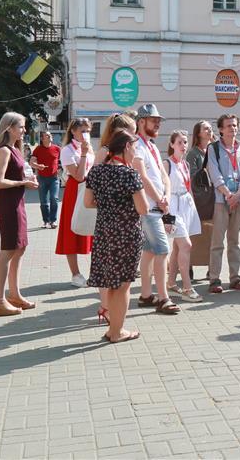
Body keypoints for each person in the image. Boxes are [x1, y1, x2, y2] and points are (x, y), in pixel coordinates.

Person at [83, 130, 147, 342]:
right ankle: (117, 332)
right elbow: (143, 208)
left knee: (111, 283)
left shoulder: (96, 171)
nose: (135, 153)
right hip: (126, 233)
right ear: (127, 146)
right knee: (123, 285)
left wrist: (108, 205)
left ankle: (113, 329)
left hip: (103, 232)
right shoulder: (130, 174)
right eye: (134, 148)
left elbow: (87, 202)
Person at [133, 104, 180, 314]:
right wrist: (159, 200)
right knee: (163, 250)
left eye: (159, 120)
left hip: (156, 208)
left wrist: (166, 197)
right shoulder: (136, 145)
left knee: (150, 251)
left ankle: (145, 295)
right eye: (154, 120)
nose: (158, 123)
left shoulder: (150, 145)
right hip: (148, 209)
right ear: (141, 121)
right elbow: (141, 176)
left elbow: (163, 175)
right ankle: (163, 298)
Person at [0, 112, 39, 317]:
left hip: (17, 203)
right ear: (9, 127)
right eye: (21, 126)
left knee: (20, 248)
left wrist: (31, 171)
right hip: (8, 204)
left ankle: (14, 295)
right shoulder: (4, 151)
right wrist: (23, 183)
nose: (24, 130)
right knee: (8, 250)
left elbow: (17, 172)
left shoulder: (15, 149)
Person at [206, 113, 240, 293]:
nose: (233, 129)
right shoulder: (214, 149)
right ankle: (214, 279)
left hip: (239, 200)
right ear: (221, 130)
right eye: (229, 126)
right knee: (217, 242)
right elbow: (214, 174)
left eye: (235, 125)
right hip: (220, 200)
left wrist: (239, 194)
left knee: (235, 241)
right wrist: (228, 195)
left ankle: (235, 278)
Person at [163, 130, 203, 303]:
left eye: (185, 142)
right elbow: (161, 188)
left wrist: (193, 208)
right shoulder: (167, 163)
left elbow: (189, 188)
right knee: (186, 245)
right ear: (172, 145)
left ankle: (171, 283)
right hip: (172, 207)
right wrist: (166, 215)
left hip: (186, 205)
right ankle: (187, 287)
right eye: (179, 142)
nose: (183, 145)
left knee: (178, 247)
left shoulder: (185, 164)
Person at [55, 118, 94, 287]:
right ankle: (75, 274)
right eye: (82, 130)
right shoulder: (67, 150)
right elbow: (78, 175)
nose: (85, 134)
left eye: (88, 130)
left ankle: (95, 271)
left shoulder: (89, 147)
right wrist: (84, 154)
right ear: (73, 131)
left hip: (89, 189)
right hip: (74, 189)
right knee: (72, 229)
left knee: (92, 228)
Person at [186, 120, 215, 281]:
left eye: (210, 128)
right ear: (198, 133)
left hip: (214, 197)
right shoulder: (194, 153)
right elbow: (191, 177)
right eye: (206, 128)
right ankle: (189, 265)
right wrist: (206, 172)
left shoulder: (214, 150)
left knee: (213, 234)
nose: (209, 130)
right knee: (196, 233)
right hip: (199, 199)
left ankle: (212, 269)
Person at [30, 131, 62, 228]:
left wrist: (60, 169)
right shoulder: (38, 149)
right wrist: (38, 166)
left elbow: (63, 161)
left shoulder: (57, 148)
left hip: (54, 179)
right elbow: (31, 162)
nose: (49, 136)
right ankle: (46, 221)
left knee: (54, 198)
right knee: (43, 201)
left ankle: (53, 221)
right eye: (46, 136)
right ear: (42, 139)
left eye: (50, 135)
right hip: (42, 179)